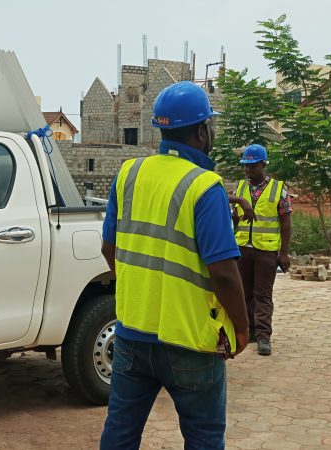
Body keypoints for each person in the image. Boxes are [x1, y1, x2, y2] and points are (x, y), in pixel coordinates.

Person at [100, 81, 249, 450]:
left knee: (120, 432)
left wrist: (136, 289)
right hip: (190, 341)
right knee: (204, 437)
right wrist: (243, 328)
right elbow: (223, 273)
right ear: (201, 132)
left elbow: (108, 247)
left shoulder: (129, 174)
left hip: (132, 333)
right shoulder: (205, 186)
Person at [231, 144, 292, 356]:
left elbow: (286, 223)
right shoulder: (240, 188)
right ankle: (252, 331)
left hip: (266, 251)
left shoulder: (278, 189)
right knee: (245, 293)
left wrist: (284, 253)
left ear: (263, 164)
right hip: (243, 249)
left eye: (253, 166)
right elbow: (234, 216)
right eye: (246, 166)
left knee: (263, 295)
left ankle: (264, 336)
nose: (248, 170)